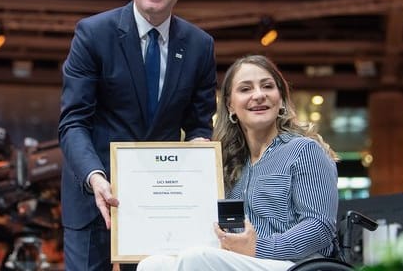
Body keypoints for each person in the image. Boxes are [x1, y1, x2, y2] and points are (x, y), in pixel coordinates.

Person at [58, 0, 217, 271]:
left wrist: (201, 150)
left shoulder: (201, 46)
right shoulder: (92, 34)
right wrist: (94, 177)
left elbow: (200, 122)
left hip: (162, 206)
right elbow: (73, 123)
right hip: (95, 195)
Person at [137, 55, 339, 271]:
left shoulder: (304, 150)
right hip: (240, 260)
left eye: (267, 86)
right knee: (152, 264)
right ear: (230, 106)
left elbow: (319, 227)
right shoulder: (226, 161)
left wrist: (258, 247)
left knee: (196, 258)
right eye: (245, 89)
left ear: (280, 100)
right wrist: (195, 164)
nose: (259, 95)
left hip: (295, 265)